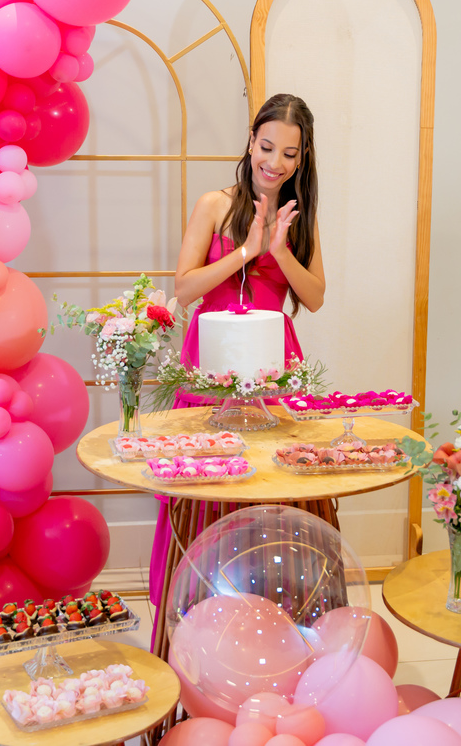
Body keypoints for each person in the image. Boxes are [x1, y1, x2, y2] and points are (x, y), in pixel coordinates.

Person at [148, 93, 326, 614]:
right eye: (266, 147)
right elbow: (184, 289)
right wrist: (246, 251)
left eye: (289, 153)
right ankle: (195, 610)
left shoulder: (298, 215)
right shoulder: (214, 205)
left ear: (302, 157)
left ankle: (274, 610)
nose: (275, 163)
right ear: (250, 142)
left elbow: (315, 297)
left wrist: (279, 251)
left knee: (271, 481)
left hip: (273, 364)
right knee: (209, 476)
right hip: (212, 359)